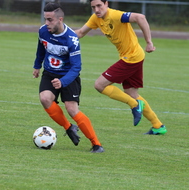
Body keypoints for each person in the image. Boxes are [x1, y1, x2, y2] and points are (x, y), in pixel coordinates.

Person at [74, 0, 167, 135]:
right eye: (93, 7)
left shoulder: (115, 15)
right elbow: (81, 33)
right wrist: (61, 33)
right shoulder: (96, 18)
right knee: (132, 93)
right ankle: (158, 126)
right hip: (134, 57)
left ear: (106, 3)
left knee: (100, 85)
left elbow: (140, 17)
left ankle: (134, 104)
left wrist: (149, 42)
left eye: (99, 5)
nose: (96, 9)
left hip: (131, 58)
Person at [33, 2, 104, 153]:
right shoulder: (43, 31)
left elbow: (76, 67)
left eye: (50, 20)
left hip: (68, 76)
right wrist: (37, 65)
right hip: (50, 73)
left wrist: (63, 81)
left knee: (72, 109)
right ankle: (69, 127)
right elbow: (41, 48)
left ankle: (96, 144)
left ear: (60, 19)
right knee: (45, 98)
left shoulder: (71, 39)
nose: (46, 23)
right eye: (45, 19)